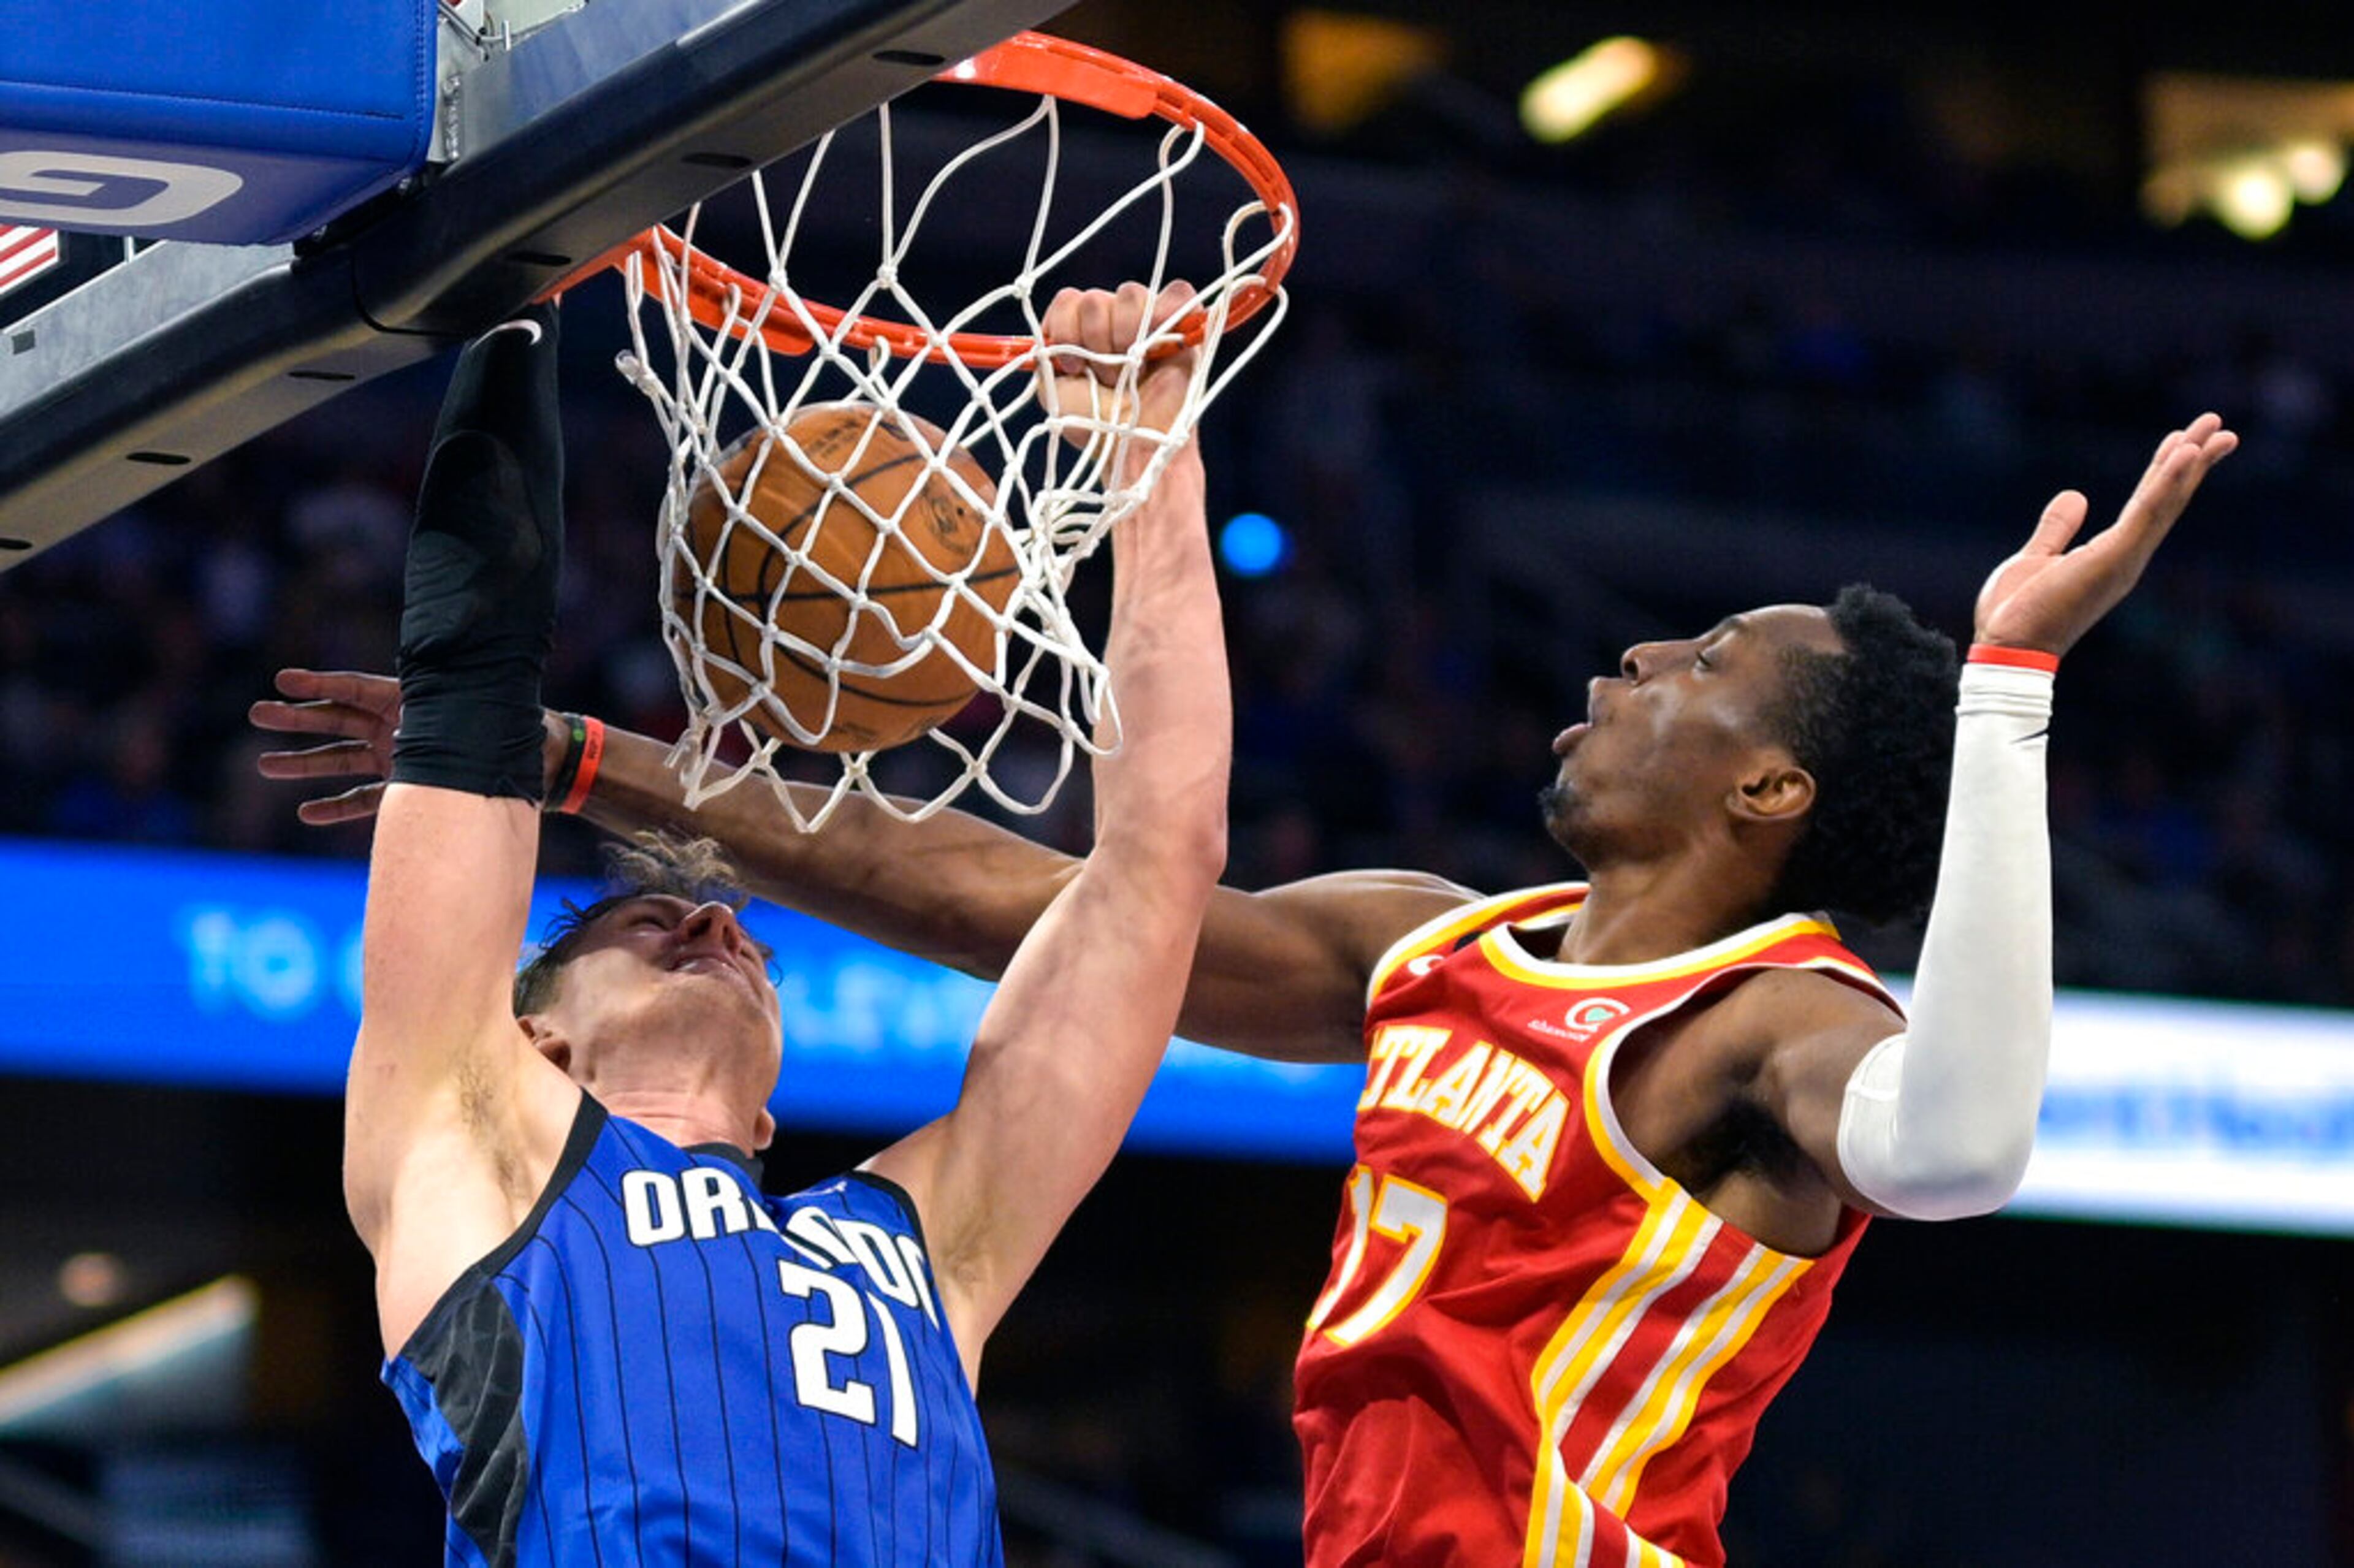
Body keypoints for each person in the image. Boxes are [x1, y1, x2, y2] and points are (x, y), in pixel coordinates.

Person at [259, 409, 2237, 1566]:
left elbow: (1967, 1147)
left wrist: (2007, 690)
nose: (1639, 649)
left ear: (1771, 785)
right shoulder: (1429, 942)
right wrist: (613, 764)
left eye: (1706, 652)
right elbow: (1056, 906)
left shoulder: (1782, 1025)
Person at [325, 279, 1229, 1567]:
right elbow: (469, 685)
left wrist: (1154, 455)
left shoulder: (921, 1242)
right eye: (644, 923)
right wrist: (513, 292)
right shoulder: (476, 1154)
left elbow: (1160, 862)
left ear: (770, 1118)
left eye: (730, 932)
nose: (713, 924)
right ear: (536, 1044)